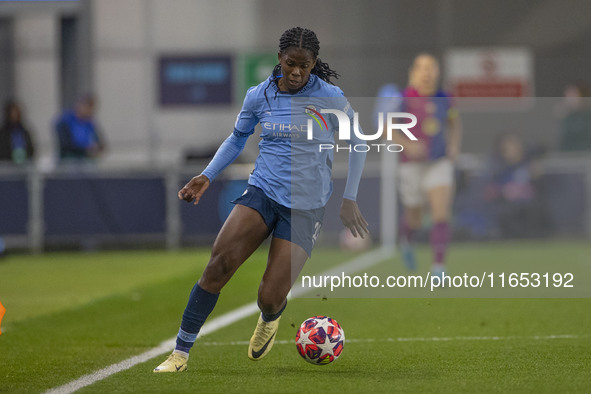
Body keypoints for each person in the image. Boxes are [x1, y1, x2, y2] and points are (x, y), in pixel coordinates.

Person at [154, 27, 368, 373]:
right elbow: (237, 139)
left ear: (314, 64)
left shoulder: (330, 97)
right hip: (263, 191)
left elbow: (359, 143)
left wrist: (350, 198)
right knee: (217, 266)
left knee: (270, 296)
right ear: (279, 59)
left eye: (305, 66)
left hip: (305, 207)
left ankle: (270, 317)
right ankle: (180, 354)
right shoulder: (259, 95)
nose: (297, 73)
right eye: (291, 64)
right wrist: (207, 175)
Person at [391, 53, 462, 277]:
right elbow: (386, 128)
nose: (427, 72)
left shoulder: (445, 98)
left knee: (441, 214)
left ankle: (439, 267)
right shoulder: (404, 98)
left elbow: (454, 122)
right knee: (415, 218)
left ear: (438, 71)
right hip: (411, 166)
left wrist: (453, 146)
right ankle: (407, 241)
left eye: (431, 67)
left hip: (438, 163)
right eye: (422, 67)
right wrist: (408, 145)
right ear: (414, 72)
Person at [54, 94, 105, 161]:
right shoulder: (65, 122)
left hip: (87, 161)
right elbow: (66, 145)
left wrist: (97, 148)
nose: (90, 112)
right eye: (88, 108)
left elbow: (100, 143)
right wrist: (85, 150)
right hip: (69, 161)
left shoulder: (90, 124)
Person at [559, 81, 591, 152]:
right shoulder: (566, 116)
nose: (569, 99)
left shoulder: (587, 115)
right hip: (568, 155)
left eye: (573, 95)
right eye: (567, 96)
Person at [0, 100, 35, 164]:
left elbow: (31, 149)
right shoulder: (3, 133)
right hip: (7, 165)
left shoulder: (25, 132)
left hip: (24, 165)